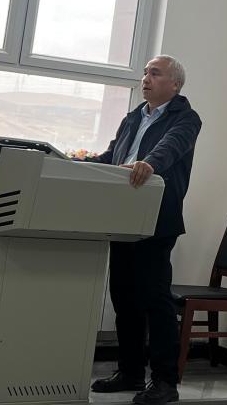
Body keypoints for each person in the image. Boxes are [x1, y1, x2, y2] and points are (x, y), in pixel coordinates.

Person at [86, 55, 202, 405]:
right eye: (144, 73)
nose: (145, 78)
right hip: (123, 218)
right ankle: (131, 372)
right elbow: (112, 157)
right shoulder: (133, 117)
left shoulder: (186, 118)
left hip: (157, 221)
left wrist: (148, 163)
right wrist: (73, 163)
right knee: (124, 298)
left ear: (175, 84)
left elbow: (170, 148)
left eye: (155, 73)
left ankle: (165, 381)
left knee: (156, 299)